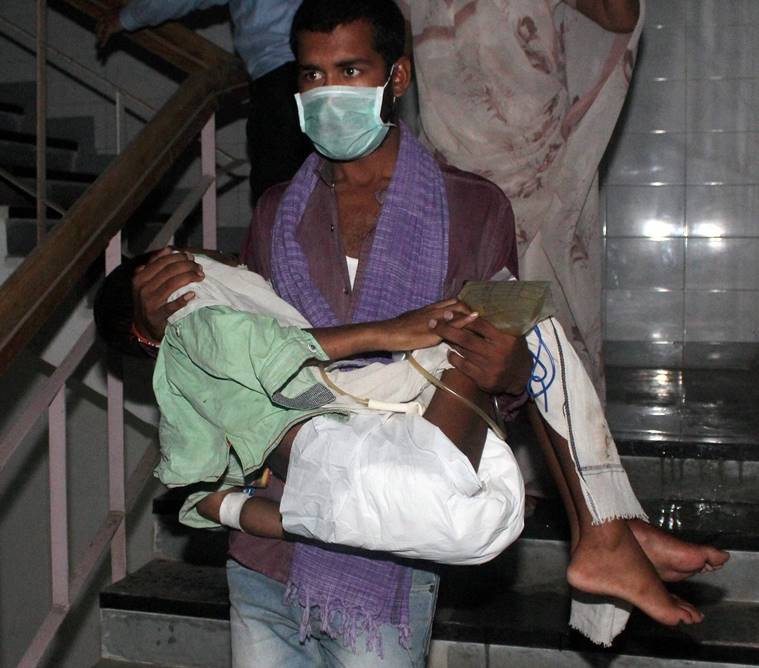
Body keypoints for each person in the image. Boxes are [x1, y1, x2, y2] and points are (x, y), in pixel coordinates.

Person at [121, 0, 728, 661]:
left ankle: (606, 527)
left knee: (524, 331)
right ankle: (606, 528)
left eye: (350, 70)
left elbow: (506, 386)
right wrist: (153, 321)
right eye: (311, 75)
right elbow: (243, 356)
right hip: (266, 552)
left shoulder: (471, 207)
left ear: (397, 78)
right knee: (516, 331)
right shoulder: (276, 212)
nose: (327, 93)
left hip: (392, 548)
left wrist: (509, 373)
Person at [97, 252, 525, 566]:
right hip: (342, 473)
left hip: (343, 480)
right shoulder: (196, 320)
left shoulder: (204, 397)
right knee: (469, 514)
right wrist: (387, 332)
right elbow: (264, 349)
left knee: (481, 525)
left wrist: (304, 519)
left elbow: (218, 503)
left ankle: (477, 352)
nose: (222, 263)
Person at [404, 0, 644, 395]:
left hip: (538, 168)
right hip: (449, 169)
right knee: (458, 345)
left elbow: (620, 15)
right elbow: (387, 42)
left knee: (554, 344)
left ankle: (565, 432)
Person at [95, 0, 311, 204]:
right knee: (309, 184)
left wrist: (126, 18)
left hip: (278, 78)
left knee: (277, 190)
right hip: (313, 74)